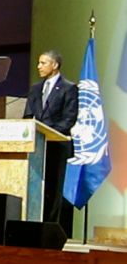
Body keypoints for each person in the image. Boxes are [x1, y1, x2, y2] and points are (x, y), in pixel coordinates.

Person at [27, 48, 80, 230]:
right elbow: (28, 115)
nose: (38, 66)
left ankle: (50, 228)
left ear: (55, 65)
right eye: (39, 62)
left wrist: (47, 133)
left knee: (54, 188)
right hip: (37, 146)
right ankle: (33, 223)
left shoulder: (69, 88)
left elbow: (69, 118)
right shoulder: (35, 89)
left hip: (57, 145)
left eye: (43, 63)